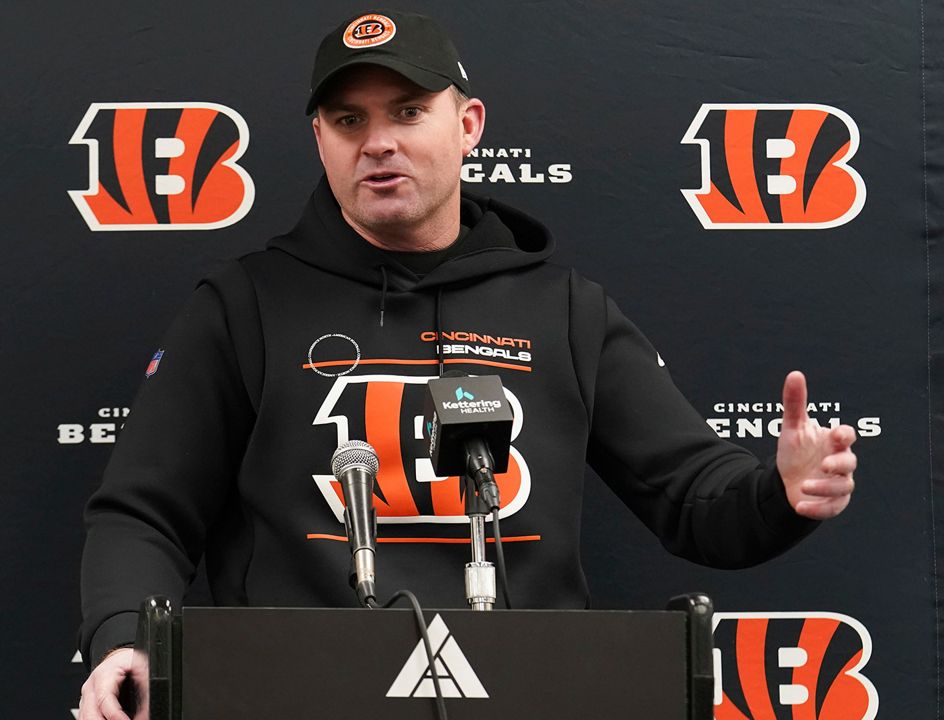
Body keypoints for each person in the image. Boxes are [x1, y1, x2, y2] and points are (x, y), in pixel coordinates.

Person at [76, 10, 858, 720]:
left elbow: (693, 498)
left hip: (535, 695)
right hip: (294, 693)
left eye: (409, 112)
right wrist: (124, 636)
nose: (378, 141)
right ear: (321, 141)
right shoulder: (243, 304)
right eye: (349, 120)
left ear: (469, 124)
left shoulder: (565, 311)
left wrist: (781, 493)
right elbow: (145, 511)